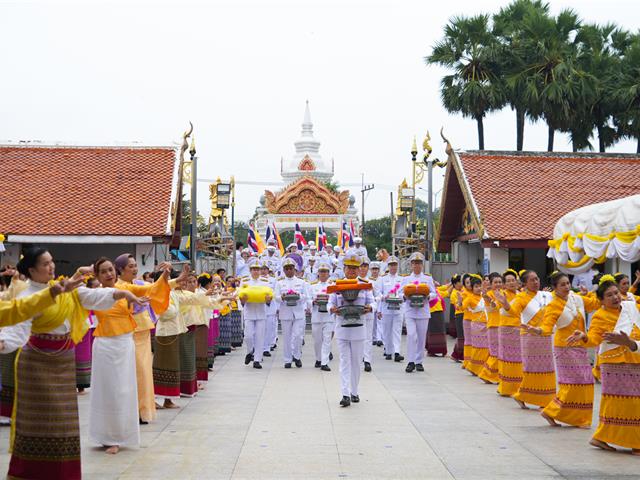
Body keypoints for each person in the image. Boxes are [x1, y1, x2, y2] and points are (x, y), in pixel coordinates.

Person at [5, 248, 143, 478]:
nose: (52, 267)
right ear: (31, 270)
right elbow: (16, 330)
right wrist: (2, 343)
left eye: (52, 262)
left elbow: (93, 297)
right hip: (36, 364)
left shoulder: (65, 289)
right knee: (37, 424)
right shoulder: (27, 295)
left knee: (64, 426)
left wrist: (122, 295)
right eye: (45, 264)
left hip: (63, 361)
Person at [90, 257, 175, 454]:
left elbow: (151, 289)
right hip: (104, 344)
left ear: (116, 271)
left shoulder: (128, 288)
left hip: (124, 343)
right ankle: (106, 436)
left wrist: (165, 274)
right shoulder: (94, 294)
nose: (109, 274)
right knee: (106, 391)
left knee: (124, 390)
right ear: (97, 276)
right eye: (103, 271)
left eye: (111, 270)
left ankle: (119, 436)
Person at [567, 277, 640, 454]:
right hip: (614, 365)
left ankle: (600, 437)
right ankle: (635, 443)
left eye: (616, 293)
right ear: (602, 300)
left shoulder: (632, 308)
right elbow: (594, 338)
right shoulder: (600, 315)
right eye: (609, 295)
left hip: (634, 359)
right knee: (621, 403)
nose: (615, 297)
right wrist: (584, 337)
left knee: (630, 402)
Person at [533, 272, 601, 427]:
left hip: (580, 346)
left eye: (567, 283)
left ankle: (579, 417)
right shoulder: (553, 305)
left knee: (586, 381)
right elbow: (547, 325)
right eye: (562, 284)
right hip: (564, 348)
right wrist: (539, 331)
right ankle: (551, 411)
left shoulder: (575, 298)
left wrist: (600, 288)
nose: (566, 287)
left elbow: (594, 303)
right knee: (572, 383)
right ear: (555, 288)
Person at [496, 270, 555, 409]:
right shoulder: (521, 297)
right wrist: (505, 304)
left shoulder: (544, 295)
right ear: (525, 283)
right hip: (529, 337)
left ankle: (544, 398)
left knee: (546, 369)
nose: (536, 282)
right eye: (532, 280)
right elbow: (513, 311)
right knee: (532, 369)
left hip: (544, 336)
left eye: (537, 279)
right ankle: (526, 396)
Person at [113, 253, 159, 424]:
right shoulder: (118, 287)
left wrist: (169, 277)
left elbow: (156, 287)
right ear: (120, 269)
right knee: (131, 371)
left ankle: (143, 411)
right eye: (130, 266)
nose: (134, 269)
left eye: (135, 265)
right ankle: (130, 411)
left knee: (144, 371)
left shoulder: (140, 284)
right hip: (126, 331)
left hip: (143, 331)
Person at [328, 251, 374, 407]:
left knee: (356, 362)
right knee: (344, 361)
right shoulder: (337, 285)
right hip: (342, 328)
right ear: (344, 268)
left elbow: (372, 302)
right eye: (349, 268)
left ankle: (354, 391)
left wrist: (370, 308)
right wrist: (332, 309)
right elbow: (330, 303)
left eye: (355, 268)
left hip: (359, 328)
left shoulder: (364, 285)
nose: (352, 271)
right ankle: (345, 394)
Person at [401, 252, 436, 373]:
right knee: (411, 335)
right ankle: (410, 361)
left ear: (422, 265)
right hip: (410, 310)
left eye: (419, 263)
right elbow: (400, 294)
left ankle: (419, 361)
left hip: (423, 310)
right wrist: (405, 296)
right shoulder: (406, 279)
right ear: (411, 265)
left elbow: (434, 293)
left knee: (421, 337)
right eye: (415, 263)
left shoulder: (427, 278)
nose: (417, 266)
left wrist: (427, 296)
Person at [275, 257, 310, 368]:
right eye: (287, 269)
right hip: (285, 311)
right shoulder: (279, 283)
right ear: (284, 270)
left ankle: (297, 356)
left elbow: (306, 296)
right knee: (287, 337)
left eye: (291, 268)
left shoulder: (301, 282)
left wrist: (298, 296)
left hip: (298, 312)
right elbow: (275, 297)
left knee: (298, 336)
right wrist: (282, 297)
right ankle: (287, 359)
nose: (289, 270)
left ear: (294, 269)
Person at [238, 259, 273, 369]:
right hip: (249, 312)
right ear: (250, 270)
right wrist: (243, 300)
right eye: (254, 269)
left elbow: (268, 296)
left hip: (261, 312)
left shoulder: (265, 281)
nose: (256, 272)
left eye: (258, 269)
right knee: (248, 336)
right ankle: (250, 351)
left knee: (259, 337)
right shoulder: (245, 281)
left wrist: (268, 300)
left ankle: (257, 360)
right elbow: (240, 296)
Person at [495, 270, 522, 397]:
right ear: (504, 285)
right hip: (507, 329)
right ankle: (506, 388)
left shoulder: (521, 294)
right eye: (508, 281)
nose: (511, 283)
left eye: (513, 280)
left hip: (520, 329)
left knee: (519, 360)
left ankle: (519, 387)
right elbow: (495, 307)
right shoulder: (501, 294)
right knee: (508, 359)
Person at [75, 276, 100, 394]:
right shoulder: (83, 297)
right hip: (82, 325)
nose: (98, 288)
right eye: (95, 286)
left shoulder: (97, 297)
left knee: (89, 354)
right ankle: (80, 385)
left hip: (92, 324)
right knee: (82, 354)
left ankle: (85, 382)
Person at [377, 256, 404, 362]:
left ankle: (397, 352)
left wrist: (399, 296)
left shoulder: (401, 279)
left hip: (398, 308)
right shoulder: (383, 279)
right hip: (386, 308)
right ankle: (388, 351)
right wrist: (384, 297)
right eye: (391, 265)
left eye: (395, 265)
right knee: (386, 331)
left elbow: (403, 292)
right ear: (388, 266)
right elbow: (379, 294)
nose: (393, 267)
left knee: (397, 331)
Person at [478, 273, 502, 384]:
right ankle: (486, 374)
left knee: (499, 352)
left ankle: (493, 375)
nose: (498, 284)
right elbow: (492, 307)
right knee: (495, 352)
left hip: (502, 326)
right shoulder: (489, 294)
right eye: (495, 282)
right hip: (493, 326)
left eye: (500, 282)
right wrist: (490, 300)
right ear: (491, 284)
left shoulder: (503, 293)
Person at [310, 262, 334, 371]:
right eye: (321, 272)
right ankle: (318, 359)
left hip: (329, 317)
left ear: (329, 273)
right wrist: (313, 302)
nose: (323, 274)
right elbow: (308, 300)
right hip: (316, 316)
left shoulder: (333, 286)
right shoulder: (313, 286)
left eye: (325, 272)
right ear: (318, 273)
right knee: (317, 340)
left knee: (327, 339)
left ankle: (324, 362)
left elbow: (336, 300)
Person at [462, 275, 487, 376]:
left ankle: (482, 367)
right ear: (472, 288)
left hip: (486, 324)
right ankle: (473, 367)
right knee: (477, 347)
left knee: (485, 347)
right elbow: (462, 307)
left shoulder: (484, 297)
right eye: (476, 286)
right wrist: (459, 302)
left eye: (479, 286)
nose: (478, 288)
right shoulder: (469, 298)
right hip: (476, 325)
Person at [359, 257, 375, 372]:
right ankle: (360, 357)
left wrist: (372, 307)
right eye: (361, 266)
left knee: (368, 337)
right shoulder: (354, 280)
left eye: (365, 266)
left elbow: (378, 296)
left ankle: (367, 360)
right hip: (357, 313)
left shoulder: (372, 282)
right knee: (359, 337)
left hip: (368, 312)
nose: (363, 268)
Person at [260, 263, 278, 356]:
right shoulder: (257, 280)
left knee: (269, 329)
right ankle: (259, 347)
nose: (263, 271)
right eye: (261, 269)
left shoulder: (273, 280)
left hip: (270, 307)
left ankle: (266, 348)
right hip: (259, 307)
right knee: (259, 330)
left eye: (265, 269)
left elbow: (276, 292)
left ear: (268, 270)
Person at [449, 275, 465, 362]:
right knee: (461, 336)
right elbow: (457, 305)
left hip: (464, 314)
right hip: (459, 315)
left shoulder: (461, 291)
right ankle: (456, 355)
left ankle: (457, 355)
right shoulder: (454, 293)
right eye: (460, 282)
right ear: (455, 284)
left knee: (463, 336)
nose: (461, 284)